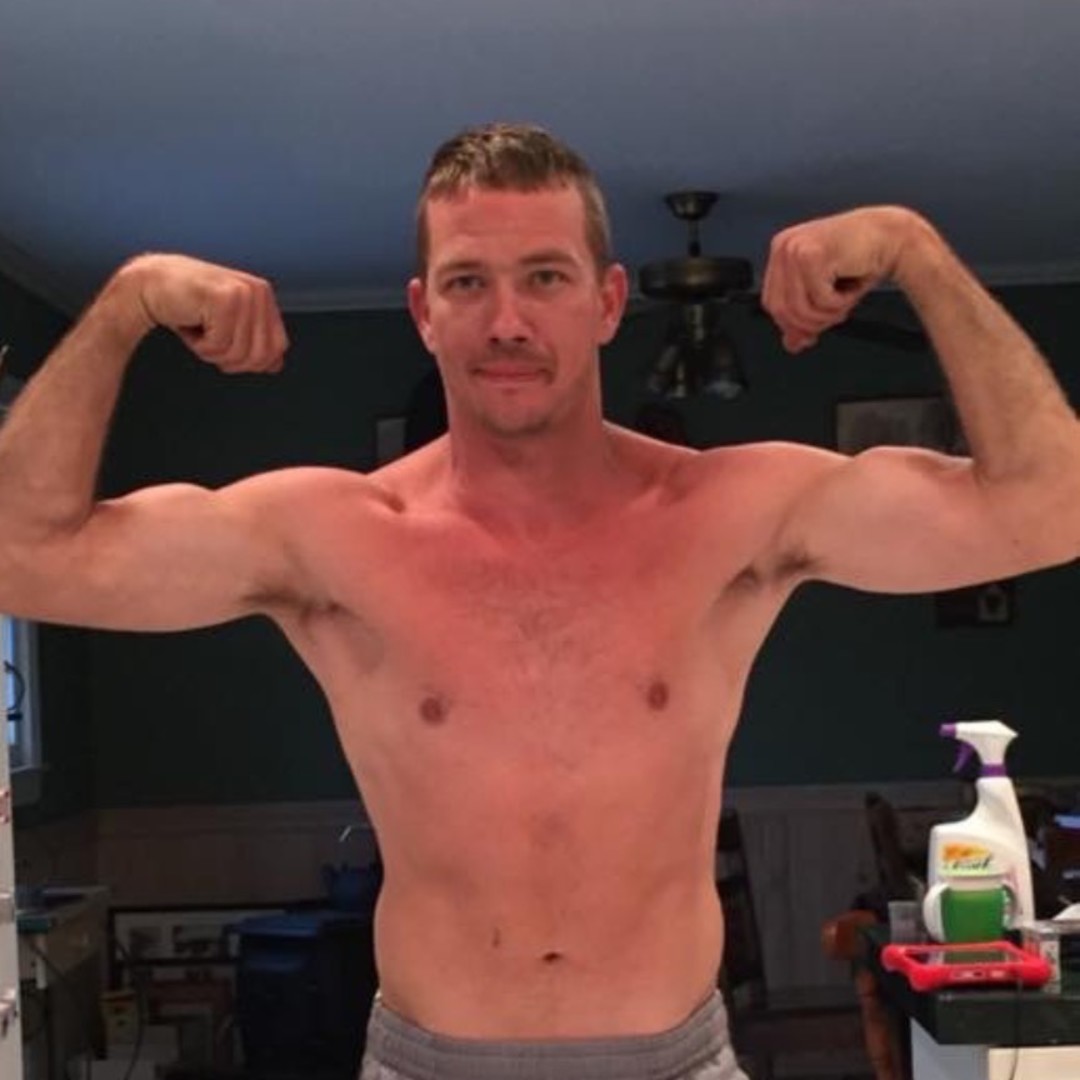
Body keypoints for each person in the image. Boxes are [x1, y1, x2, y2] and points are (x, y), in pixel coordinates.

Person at [1, 122, 1078, 1080]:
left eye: (546, 277)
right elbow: (23, 556)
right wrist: (127, 304)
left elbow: (1053, 506)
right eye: (468, 282)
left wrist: (913, 251)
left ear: (606, 302)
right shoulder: (332, 538)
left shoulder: (730, 513)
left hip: (675, 1059)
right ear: (424, 312)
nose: (506, 320)